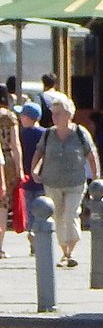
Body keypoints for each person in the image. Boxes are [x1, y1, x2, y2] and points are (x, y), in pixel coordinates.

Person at [31, 91, 100, 268]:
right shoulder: (48, 134)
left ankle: (71, 250)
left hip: (75, 182)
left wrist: (96, 177)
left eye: (58, 113)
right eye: (53, 113)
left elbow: (91, 155)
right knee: (58, 216)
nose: (54, 117)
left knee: (71, 214)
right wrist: (34, 171)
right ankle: (65, 253)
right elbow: (39, 152)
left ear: (69, 114)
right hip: (52, 181)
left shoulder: (80, 133)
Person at [17, 102, 44, 255]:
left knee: (29, 210)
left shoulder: (21, 134)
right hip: (42, 178)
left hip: (26, 178)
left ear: (28, 117)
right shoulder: (44, 133)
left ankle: (32, 233)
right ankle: (38, 236)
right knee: (42, 209)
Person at [0, 85, 17, 258]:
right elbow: (15, 144)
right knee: (3, 204)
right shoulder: (9, 117)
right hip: (6, 160)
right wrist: (20, 168)